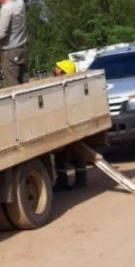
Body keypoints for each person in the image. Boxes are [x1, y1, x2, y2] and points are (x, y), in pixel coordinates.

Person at [52, 58, 87, 190]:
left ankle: (81, 180)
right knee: (59, 155)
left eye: (58, 68)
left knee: (77, 153)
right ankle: (63, 182)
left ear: (64, 72)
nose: (55, 70)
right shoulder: (58, 85)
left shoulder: (70, 86)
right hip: (63, 125)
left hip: (74, 125)